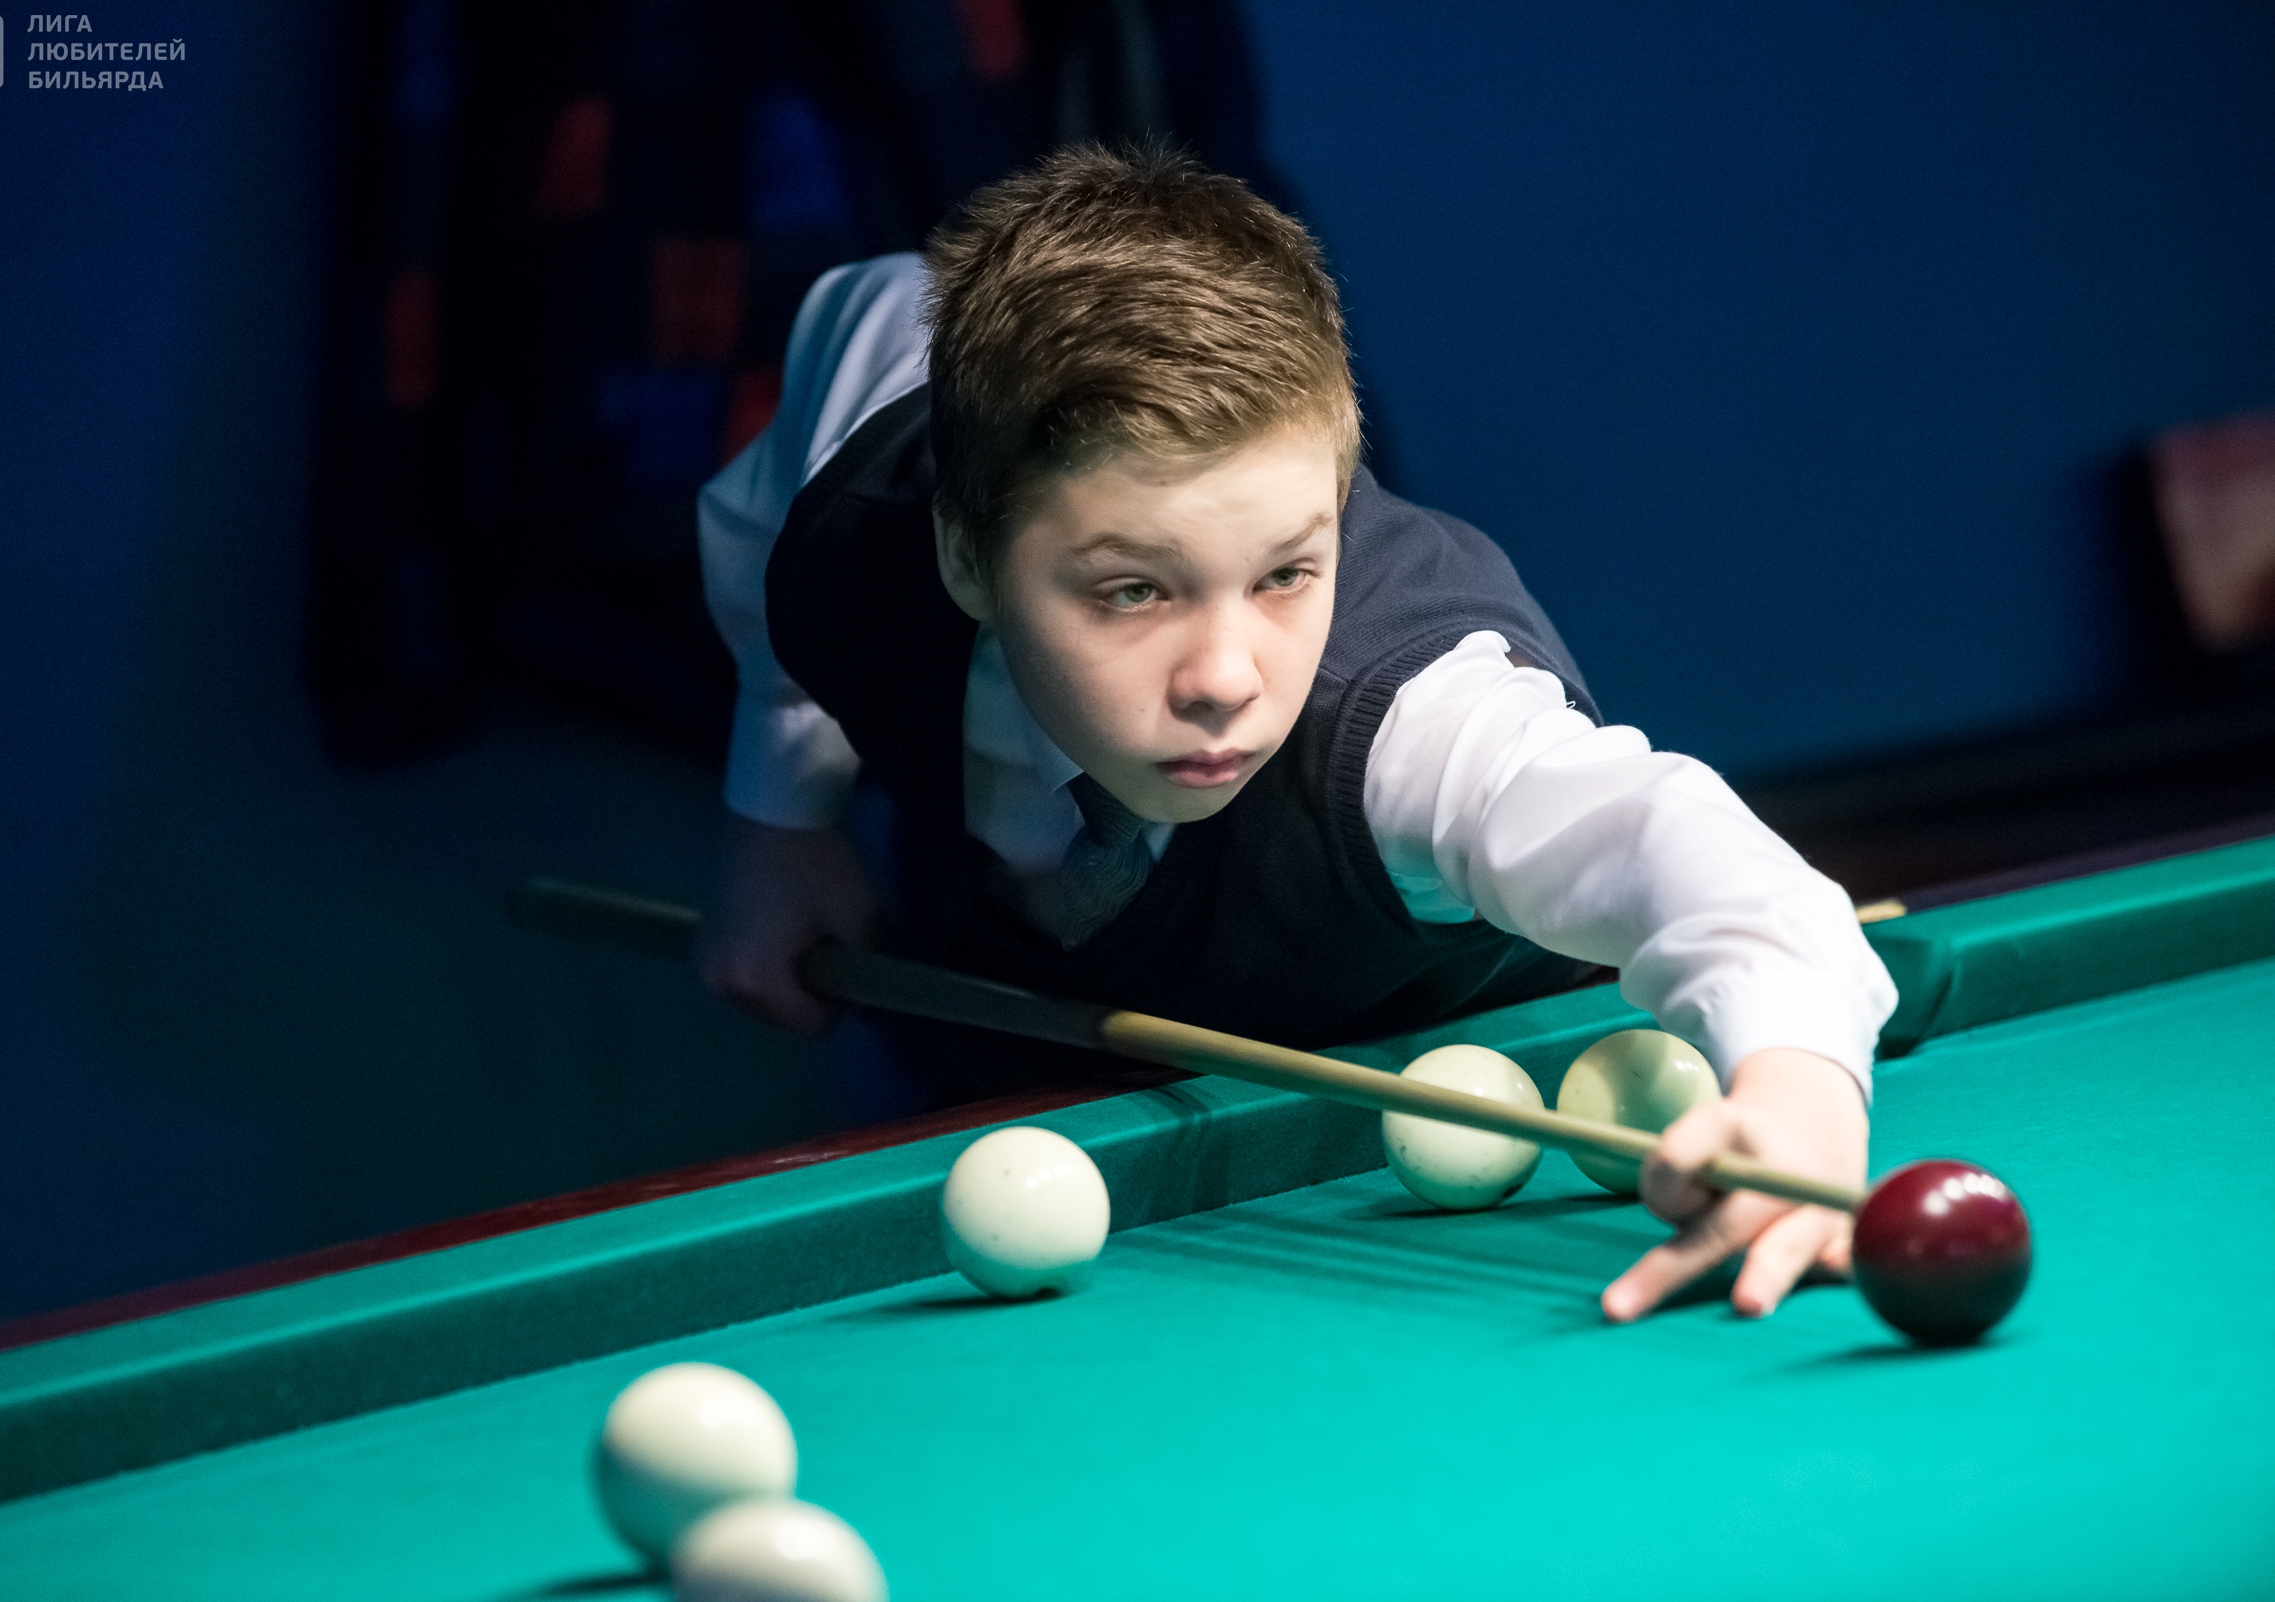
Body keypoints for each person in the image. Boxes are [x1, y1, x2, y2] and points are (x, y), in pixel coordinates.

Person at [693, 145, 1895, 1324]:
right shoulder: (871, 461)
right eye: (1132, 592)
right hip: (1035, 1071)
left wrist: (1797, 1088)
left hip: (1465, 1092)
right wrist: (780, 820)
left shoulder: (1411, 725)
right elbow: (791, 456)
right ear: (964, 552)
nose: (1226, 681)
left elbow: (1667, 841)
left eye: (1285, 574)